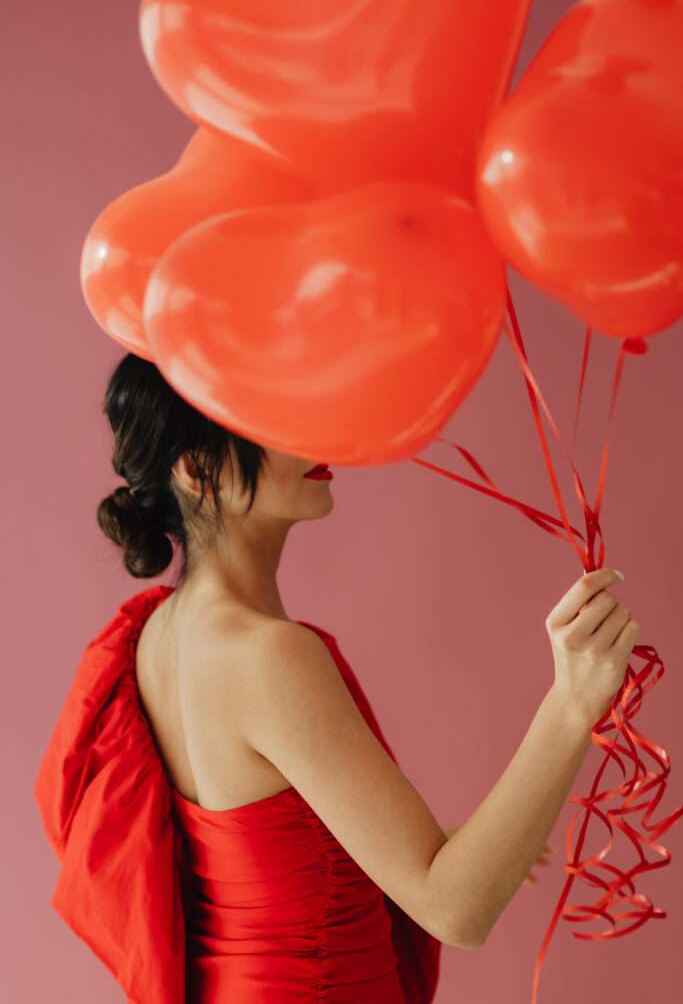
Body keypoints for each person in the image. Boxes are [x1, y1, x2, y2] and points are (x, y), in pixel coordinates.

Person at [34, 352, 640, 1003]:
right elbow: (454, 911)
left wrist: (476, 848)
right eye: (269, 417)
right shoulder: (266, 655)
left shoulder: (158, 633)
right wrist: (573, 702)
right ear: (197, 469)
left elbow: (266, 860)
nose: (313, 435)